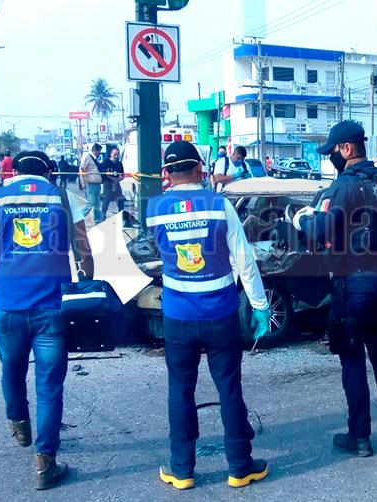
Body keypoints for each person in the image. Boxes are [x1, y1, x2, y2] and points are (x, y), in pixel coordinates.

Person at [147, 141, 271, 490]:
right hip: (221, 314)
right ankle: (240, 467)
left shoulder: (154, 208)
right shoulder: (220, 205)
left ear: (167, 173)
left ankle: (181, 469)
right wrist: (260, 306)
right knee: (229, 388)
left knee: (180, 390)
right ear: (200, 169)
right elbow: (244, 259)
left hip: (177, 316)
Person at [0, 150, 93, 491]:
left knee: (11, 369)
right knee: (49, 385)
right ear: (49, 172)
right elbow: (83, 249)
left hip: (8, 307)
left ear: (14, 172)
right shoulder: (62, 198)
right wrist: (85, 286)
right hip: (53, 307)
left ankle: (19, 422)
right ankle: (44, 462)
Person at [292, 120, 377, 458]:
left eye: (332, 151)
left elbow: (319, 232)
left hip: (352, 285)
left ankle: (359, 437)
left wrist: (302, 219)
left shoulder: (342, 187)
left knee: (353, 360)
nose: (331, 158)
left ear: (346, 149)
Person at [79, 143, 104, 223]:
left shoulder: (95, 159)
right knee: (90, 203)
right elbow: (82, 169)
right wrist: (83, 182)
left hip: (97, 184)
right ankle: (78, 217)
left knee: (97, 204)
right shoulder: (88, 157)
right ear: (95, 150)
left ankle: (98, 220)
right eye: (99, 151)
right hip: (90, 184)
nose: (99, 153)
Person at [100, 147, 125, 216]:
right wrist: (108, 175)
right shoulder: (106, 162)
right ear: (111, 154)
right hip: (108, 183)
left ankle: (121, 215)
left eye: (117, 155)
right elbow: (102, 172)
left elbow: (122, 174)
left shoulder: (119, 163)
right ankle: (102, 216)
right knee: (106, 199)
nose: (116, 156)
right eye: (115, 155)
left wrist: (120, 178)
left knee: (120, 198)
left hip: (116, 183)